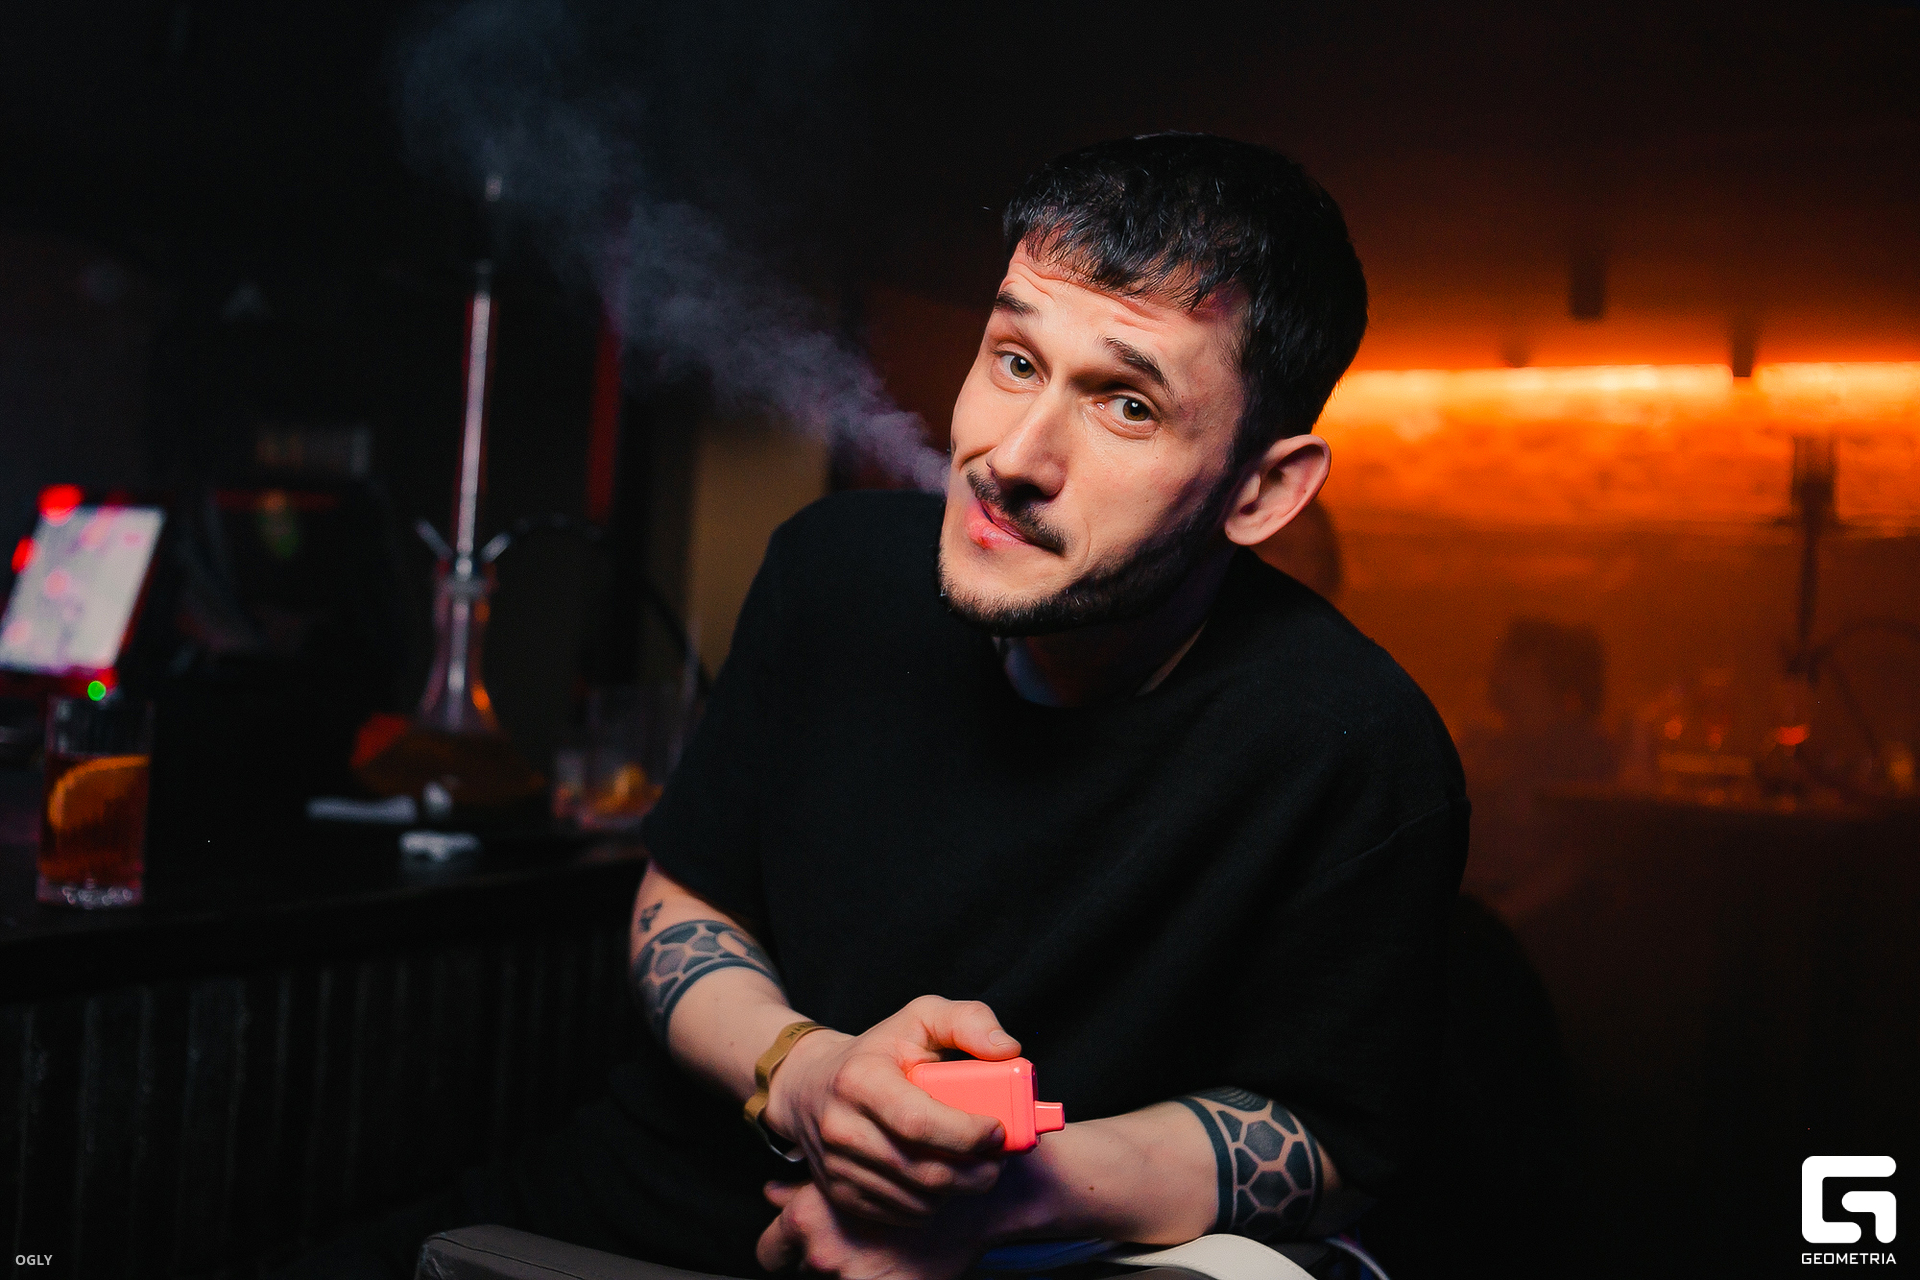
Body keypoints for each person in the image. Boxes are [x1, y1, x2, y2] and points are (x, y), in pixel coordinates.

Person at [278, 133, 1466, 1280]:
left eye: (1128, 406)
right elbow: (685, 897)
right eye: (1016, 360)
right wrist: (804, 1074)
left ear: (1264, 490)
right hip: (623, 1218)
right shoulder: (831, 573)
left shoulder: (1352, 742)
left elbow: (1324, 1135)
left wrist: (1001, 1197)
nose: (1014, 457)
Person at [1458, 617, 1616, 922]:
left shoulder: (1581, 750)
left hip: (1532, 921)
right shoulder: (1485, 746)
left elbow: (1580, 856)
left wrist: (1498, 918)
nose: (1489, 671)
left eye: (1500, 658)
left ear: (1530, 666)